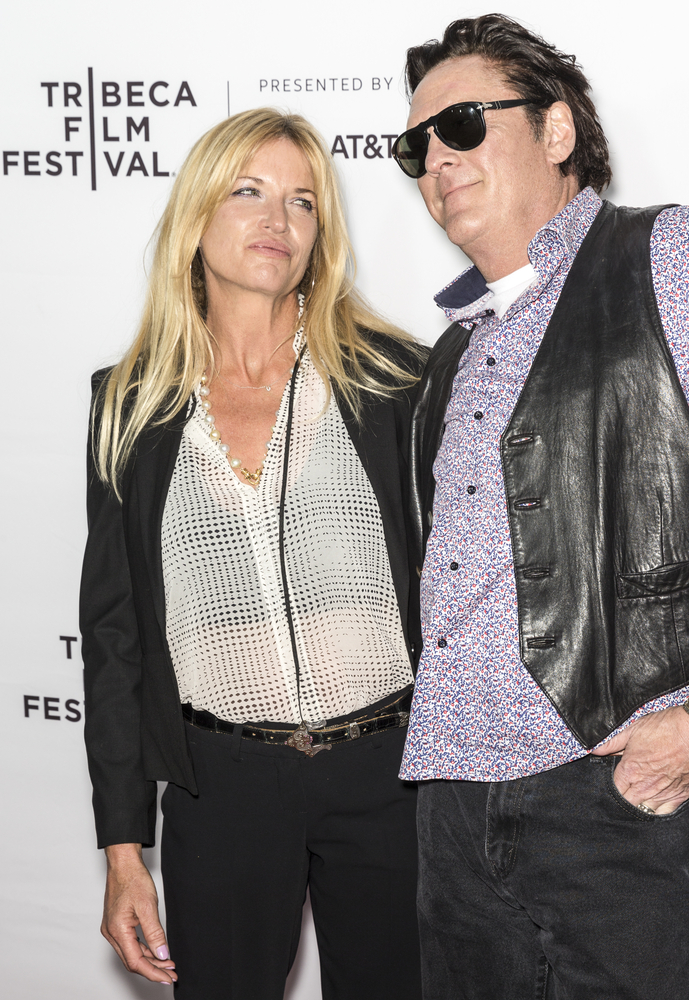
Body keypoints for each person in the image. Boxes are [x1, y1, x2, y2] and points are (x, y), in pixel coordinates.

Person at [391, 14, 689, 1000]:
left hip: (601, 798)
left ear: (555, 130)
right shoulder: (455, 346)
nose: (436, 158)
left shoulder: (668, 256)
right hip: (446, 811)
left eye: (461, 124)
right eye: (414, 145)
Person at [80, 107, 425, 1000]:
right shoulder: (128, 406)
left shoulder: (394, 380)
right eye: (248, 192)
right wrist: (123, 850)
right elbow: (114, 641)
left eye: (302, 202)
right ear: (196, 216)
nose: (278, 220)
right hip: (220, 786)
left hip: (391, 776)